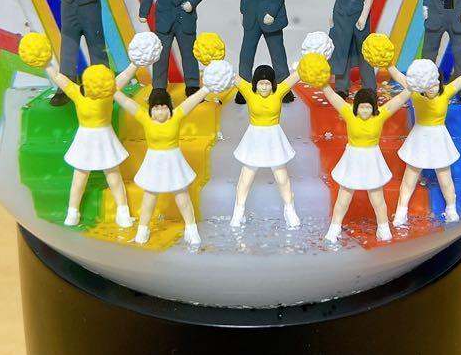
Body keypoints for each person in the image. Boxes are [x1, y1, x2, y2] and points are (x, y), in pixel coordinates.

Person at [113, 82, 213, 246]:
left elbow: (192, 101)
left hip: (173, 162)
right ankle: (142, 230)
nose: (160, 111)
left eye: (164, 107)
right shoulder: (144, 118)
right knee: (149, 198)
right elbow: (126, 102)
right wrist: (111, 90)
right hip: (153, 163)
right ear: (150, 109)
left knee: (181, 195)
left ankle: (191, 228)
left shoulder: (177, 116)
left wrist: (206, 89)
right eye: (156, 108)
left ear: (170, 108)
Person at [42, 59, 137, 228]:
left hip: (105, 138)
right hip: (85, 139)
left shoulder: (108, 92)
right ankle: (73, 211)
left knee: (113, 175)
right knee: (79, 178)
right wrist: (46, 63)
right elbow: (58, 77)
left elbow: (123, 77)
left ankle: (123, 211)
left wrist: (135, 64)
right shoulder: (77, 93)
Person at [388, 61, 461, 226]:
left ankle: (451, 208)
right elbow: (399, 77)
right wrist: (387, 64)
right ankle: (401, 210)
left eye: (436, 84)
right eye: (429, 85)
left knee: (445, 179)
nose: (432, 88)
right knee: (409, 178)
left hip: (439, 139)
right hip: (418, 138)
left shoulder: (446, 92)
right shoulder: (415, 93)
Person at [320, 83, 411, 243]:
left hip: (372, 160)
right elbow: (333, 97)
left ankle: (383, 228)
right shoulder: (349, 112)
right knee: (343, 198)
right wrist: (323, 84)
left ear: (374, 107)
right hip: (352, 159)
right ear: (356, 106)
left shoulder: (380, 115)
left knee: (377, 199)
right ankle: (335, 227)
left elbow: (398, 100)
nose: (365, 111)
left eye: (368, 107)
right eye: (362, 107)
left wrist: (411, 88)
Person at [229, 64, 302, 229]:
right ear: (255, 83)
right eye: (261, 83)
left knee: (282, 178)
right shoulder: (248, 91)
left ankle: (289, 209)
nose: (264, 87)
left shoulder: (279, 91)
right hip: (254, 139)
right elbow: (231, 75)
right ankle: (238, 211)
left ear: (272, 84)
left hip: (274, 139)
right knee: (245, 178)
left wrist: (311, 60)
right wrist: (214, 62)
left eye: (267, 83)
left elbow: (297, 75)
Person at [328, 0, 375, 99]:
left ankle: (370, 87)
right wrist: (333, 13)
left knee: (364, 51)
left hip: (358, 13)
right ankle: (341, 87)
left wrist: (363, 16)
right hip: (341, 13)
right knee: (342, 49)